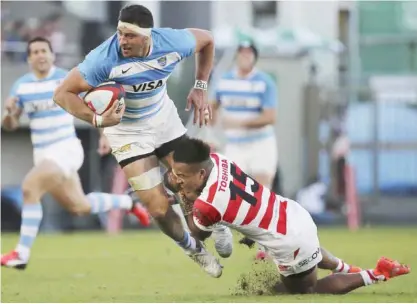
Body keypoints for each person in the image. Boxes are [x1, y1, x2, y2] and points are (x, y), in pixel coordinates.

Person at [53, 4, 228, 277]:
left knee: (195, 181)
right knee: (157, 208)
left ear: (147, 36)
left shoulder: (171, 42)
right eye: (120, 33)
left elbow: (207, 39)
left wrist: (200, 86)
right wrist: (98, 121)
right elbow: (62, 93)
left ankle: (216, 223)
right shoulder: (102, 59)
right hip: (125, 132)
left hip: (162, 120)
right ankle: (194, 250)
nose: (122, 40)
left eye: (130, 36)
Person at [168, 137, 411, 294]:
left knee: (307, 290)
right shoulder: (220, 161)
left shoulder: (208, 205)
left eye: (182, 175)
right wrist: (186, 187)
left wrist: (181, 195)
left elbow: (197, 232)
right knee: (310, 252)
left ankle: (376, 273)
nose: (178, 179)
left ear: (201, 173)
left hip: (288, 240)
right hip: (293, 213)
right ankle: (346, 267)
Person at [1, 37, 149, 270]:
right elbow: (10, 125)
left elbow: (97, 103)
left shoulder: (66, 78)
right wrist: (9, 113)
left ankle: (22, 253)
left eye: (44, 51)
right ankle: (127, 202)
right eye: (35, 52)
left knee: (30, 187)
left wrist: (104, 134)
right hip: (43, 155)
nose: (40, 55)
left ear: (52, 55)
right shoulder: (21, 86)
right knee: (80, 206)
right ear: (29, 58)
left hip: (65, 149)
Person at [211, 41, 279, 259]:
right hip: (234, 145)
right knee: (230, 191)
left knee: (263, 192)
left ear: (255, 58)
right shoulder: (224, 80)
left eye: (249, 54)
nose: (244, 57)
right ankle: (231, 231)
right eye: (241, 54)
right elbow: (211, 108)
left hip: (260, 143)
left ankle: (265, 247)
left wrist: (240, 123)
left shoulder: (264, 82)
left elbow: (270, 117)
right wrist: (211, 132)